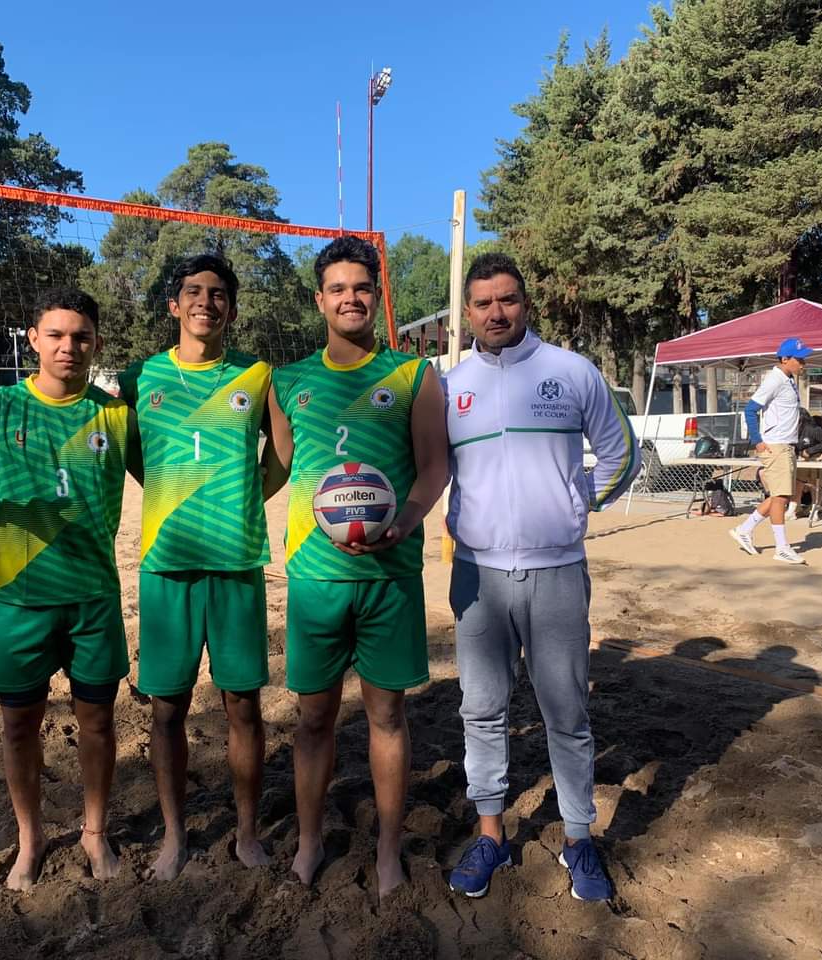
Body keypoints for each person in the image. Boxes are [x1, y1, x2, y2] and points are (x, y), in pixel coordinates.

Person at [442, 253, 641, 902]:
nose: (496, 312)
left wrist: (575, 505)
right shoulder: (448, 387)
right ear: (467, 312)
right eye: (483, 303)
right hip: (477, 577)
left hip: (557, 572)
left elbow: (621, 453)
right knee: (481, 709)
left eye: (508, 299)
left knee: (567, 712)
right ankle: (491, 835)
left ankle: (579, 839)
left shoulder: (570, 371)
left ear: (526, 304)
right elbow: (426, 466)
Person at [264, 236, 448, 897]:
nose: (351, 298)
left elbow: (434, 466)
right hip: (315, 580)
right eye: (338, 289)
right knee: (313, 719)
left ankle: (389, 850)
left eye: (362, 288)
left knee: (387, 716)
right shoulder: (286, 382)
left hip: (389, 577)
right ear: (319, 300)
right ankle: (310, 842)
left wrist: (405, 519)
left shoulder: (413, 375)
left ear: (377, 296)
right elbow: (280, 468)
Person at [0, 287, 138, 890]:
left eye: (80, 336)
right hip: (18, 598)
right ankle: (30, 839)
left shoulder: (117, 416)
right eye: (55, 335)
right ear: (33, 339)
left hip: (92, 597)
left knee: (97, 723)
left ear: (96, 343)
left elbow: (166, 479)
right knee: (18, 727)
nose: (68, 346)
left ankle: (94, 832)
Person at [117, 254, 275, 882]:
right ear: (173, 305)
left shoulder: (257, 376)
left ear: (231, 309)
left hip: (236, 560)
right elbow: (132, 455)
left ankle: (246, 833)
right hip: (167, 562)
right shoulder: (139, 377)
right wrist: (171, 493)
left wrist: (244, 497)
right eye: (193, 292)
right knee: (166, 709)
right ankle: (175, 837)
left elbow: (283, 455)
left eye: (217, 294)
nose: (205, 302)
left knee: (243, 706)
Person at [729, 338, 814, 564]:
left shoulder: (788, 380)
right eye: (800, 359)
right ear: (785, 359)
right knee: (781, 497)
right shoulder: (774, 380)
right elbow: (750, 410)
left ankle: (744, 530)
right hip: (776, 446)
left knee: (780, 495)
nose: (803, 363)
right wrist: (758, 441)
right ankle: (782, 547)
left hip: (785, 446)